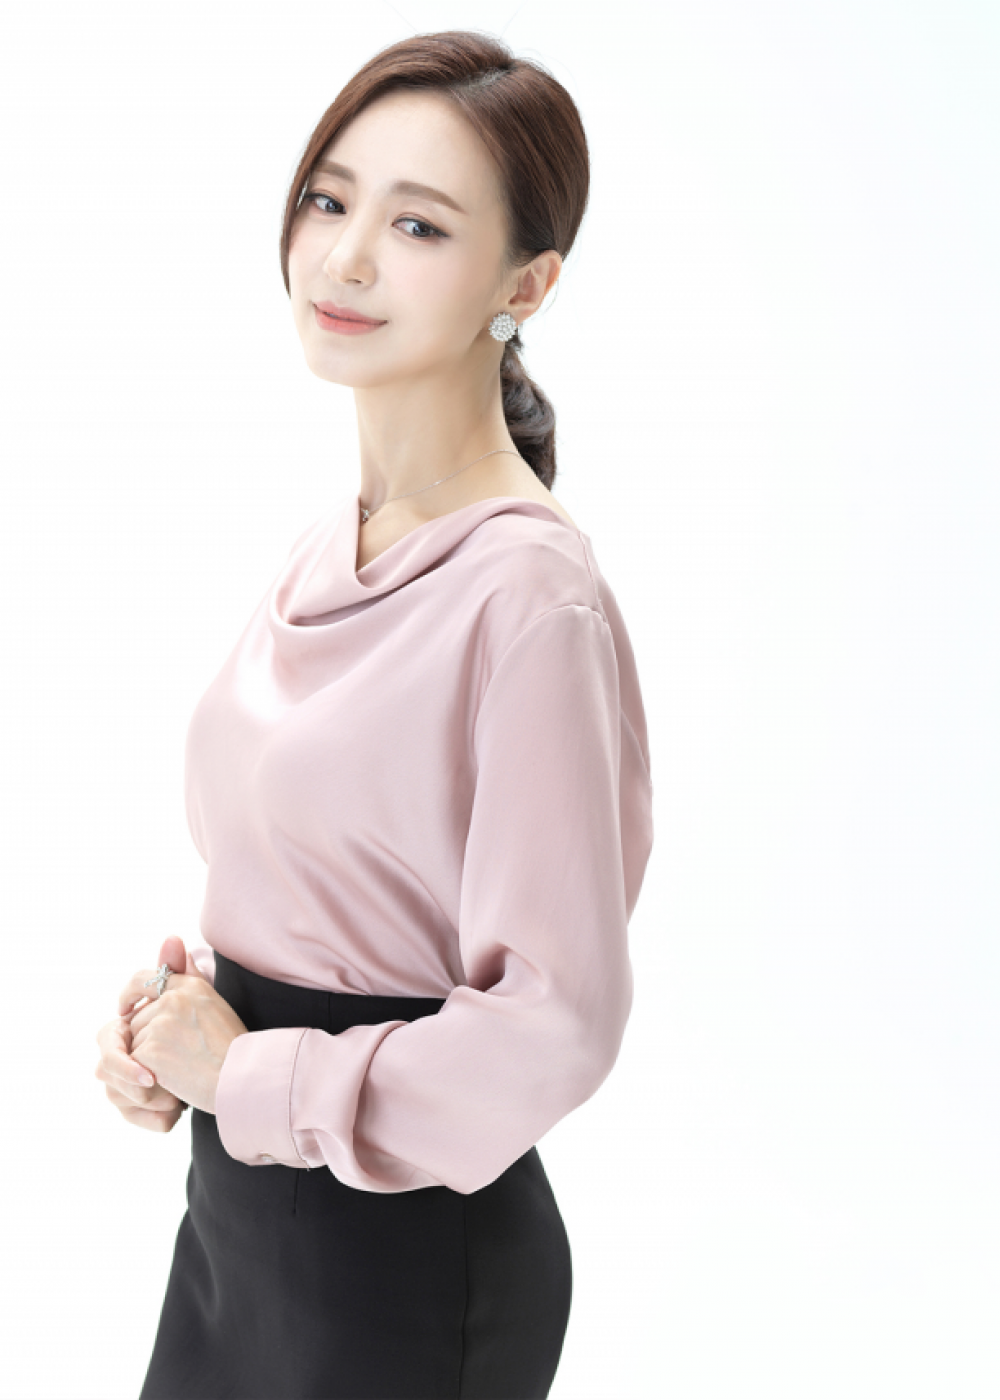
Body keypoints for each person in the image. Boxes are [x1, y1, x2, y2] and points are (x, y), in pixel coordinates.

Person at [94, 29, 654, 1400]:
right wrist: (182, 1028)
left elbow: (553, 1023)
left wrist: (252, 1076)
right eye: (329, 199)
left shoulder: (529, 595)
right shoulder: (322, 547)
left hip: (402, 1266)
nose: (345, 257)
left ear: (526, 284)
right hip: (239, 1226)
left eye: (418, 225)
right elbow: (319, 887)